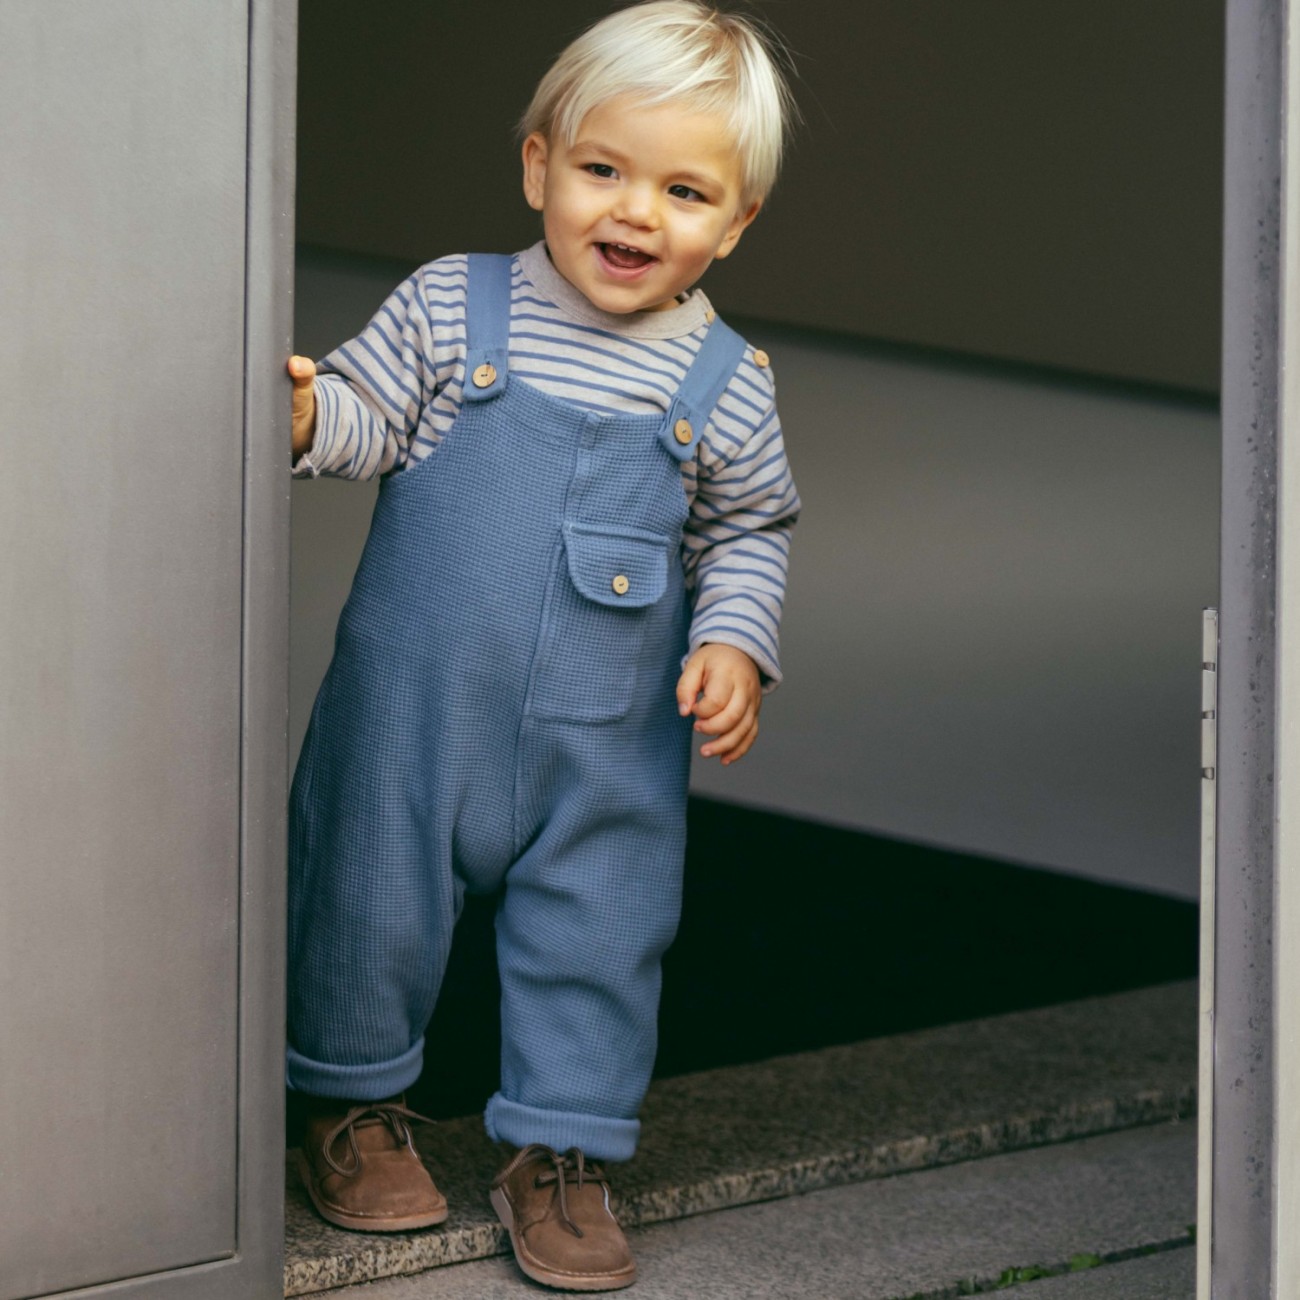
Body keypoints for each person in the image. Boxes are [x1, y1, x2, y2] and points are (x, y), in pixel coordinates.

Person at [285, 1, 799, 1289]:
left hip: (606, 742)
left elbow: (750, 529)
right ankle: (350, 1106)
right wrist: (304, 417)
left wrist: (736, 646)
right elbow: (367, 417)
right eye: (601, 170)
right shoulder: (452, 311)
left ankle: (561, 1149)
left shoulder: (726, 383)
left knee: (601, 930)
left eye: (684, 191)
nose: (634, 214)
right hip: (413, 713)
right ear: (537, 165)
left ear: (734, 225)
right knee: (369, 897)